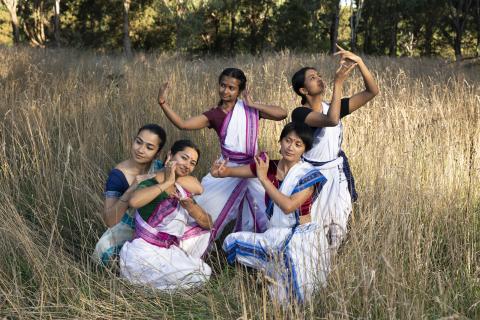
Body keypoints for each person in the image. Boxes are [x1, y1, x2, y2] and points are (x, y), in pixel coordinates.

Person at [157, 67, 288, 239]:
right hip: (227, 168)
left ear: (239, 91)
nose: (225, 91)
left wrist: (253, 104)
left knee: (267, 212)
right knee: (207, 206)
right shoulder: (215, 115)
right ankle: (186, 242)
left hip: (255, 168)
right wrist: (163, 103)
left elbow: (282, 114)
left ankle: (259, 248)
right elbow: (183, 124)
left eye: (231, 88)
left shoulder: (249, 109)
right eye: (223, 85)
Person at [211, 122, 330, 303]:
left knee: (286, 295)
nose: (291, 147)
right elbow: (229, 171)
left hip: (300, 238)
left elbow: (288, 206)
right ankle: (251, 278)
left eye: (298, 144)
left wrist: (263, 178)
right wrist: (220, 172)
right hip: (275, 234)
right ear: (280, 141)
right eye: (288, 141)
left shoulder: (308, 175)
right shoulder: (268, 166)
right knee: (232, 242)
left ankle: (271, 276)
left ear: (304, 150)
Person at [291, 44, 379, 251]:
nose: (319, 78)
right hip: (313, 175)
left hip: (337, 173)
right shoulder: (299, 113)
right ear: (303, 90)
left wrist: (359, 61)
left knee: (338, 225)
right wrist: (338, 82)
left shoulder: (334, 108)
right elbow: (331, 120)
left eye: (319, 75)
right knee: (313, 226)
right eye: (313, 77)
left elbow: (372, 91)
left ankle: (330, 267)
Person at [119, 140, 213, 290]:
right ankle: (146, 289)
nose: (187, 165)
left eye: (192, 163)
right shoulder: (150, 183)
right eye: (184, 158)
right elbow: (134, 201)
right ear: (170, 155)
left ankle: (153, 288)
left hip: (167, 251)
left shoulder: (182, 189)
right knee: (197, 276)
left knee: (204, 271)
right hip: (143, 254)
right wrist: (167, 181)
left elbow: (208, 223)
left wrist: (191, 208)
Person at [93, 124, 166, 265]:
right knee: (107, 251)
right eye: (138, 142)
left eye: (149, 147)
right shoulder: (118, 175)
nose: (140, 150)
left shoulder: (159, 168)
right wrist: (131, 190)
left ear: (157, 152)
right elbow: (109, 220)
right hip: (126, 231)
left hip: (154, 229)